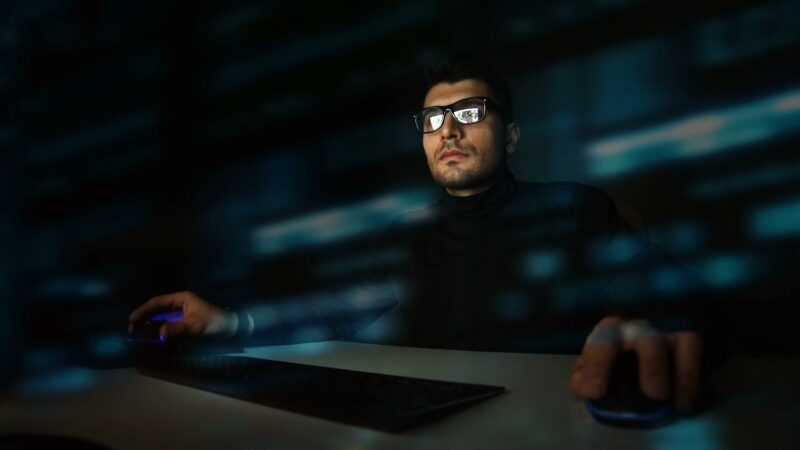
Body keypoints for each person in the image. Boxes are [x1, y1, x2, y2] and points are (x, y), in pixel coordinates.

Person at [130, 56, 710, 414]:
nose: (449, 129)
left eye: (471, 112)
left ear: (510, 136)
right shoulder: (408, 234)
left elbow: (679, 296)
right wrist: (228, 322)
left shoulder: (574, 206)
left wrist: (647, 322)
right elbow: (343, 309)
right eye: (433, 119)